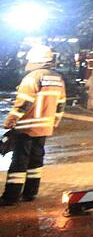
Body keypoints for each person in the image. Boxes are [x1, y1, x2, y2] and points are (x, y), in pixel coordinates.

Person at [1, 44, 66, 205]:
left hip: (27, 127)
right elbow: (61, 102)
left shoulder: (32, 78)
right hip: (45, 126)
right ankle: (30, 193)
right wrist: (55, 121)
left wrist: (10, 121)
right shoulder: (58, 78)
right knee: (36, 160)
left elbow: (24, 102)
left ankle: (11, 197)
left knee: (19, 160)